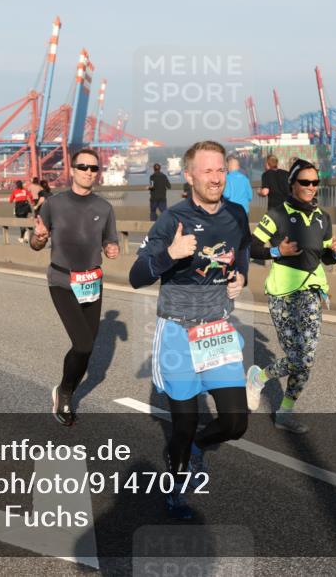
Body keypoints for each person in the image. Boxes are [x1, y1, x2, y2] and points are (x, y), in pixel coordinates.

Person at [129, 140, 250, 520]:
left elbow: (242, 249)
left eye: (220, 171)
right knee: (182, 424)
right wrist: (171, 255)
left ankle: (197, 446)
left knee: (234, 422)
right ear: (190, 175)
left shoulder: (236, 214)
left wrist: (241, 276)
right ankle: (175, 492)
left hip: (216, 330)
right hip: (178, 333)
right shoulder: (172, 220)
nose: (215, 178)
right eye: (208, 171)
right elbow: (136, 276)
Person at [246, 158, 336, 431]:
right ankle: (259, 378)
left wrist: (334, 252)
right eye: (305, 182)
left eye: (315, 182)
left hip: (312, 292)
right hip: (284, 294)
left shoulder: (323, 217)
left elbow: (324, 258)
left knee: (307, 360)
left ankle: (285, 413)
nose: (311, 187)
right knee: (299, 358)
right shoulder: (277, 215)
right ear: (292, 184)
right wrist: (277, 252)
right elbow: (252, 247)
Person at [30, 149, 119, 426]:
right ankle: (65, 393)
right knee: (82, 344)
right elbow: (35, 244)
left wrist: (111, 247)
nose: (88, 172)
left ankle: (65, 389)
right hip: (62, 281)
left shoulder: (104, 208)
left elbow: (109, 241)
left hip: (92, 282)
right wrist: (39, 237)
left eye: (94, 168)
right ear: (72, 170)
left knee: (88, 348)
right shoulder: (53, 205)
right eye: (83, 167)